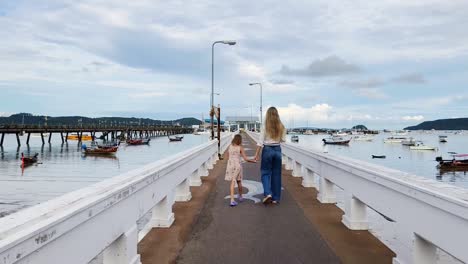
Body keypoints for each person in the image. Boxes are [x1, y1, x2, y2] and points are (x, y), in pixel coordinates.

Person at [254, 107, 286, 204]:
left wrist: (256, 155)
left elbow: (260, 142)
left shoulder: (265, 126)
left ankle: (268, 193)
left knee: (265, 172)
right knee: (276, 174)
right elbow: (283, 140)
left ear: (267, 115)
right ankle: (275, 198)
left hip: (267, 149)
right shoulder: (281, 126)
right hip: (277, 149)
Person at [225, 134, 256, 206]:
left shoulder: (230, 146)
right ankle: (240, 197)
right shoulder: (240, 147)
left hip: (230, 165)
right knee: (238, 181)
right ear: (240, 140)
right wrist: (253, 161)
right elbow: (246, 159)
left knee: (232, 181)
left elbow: (228, 156)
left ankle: (233, 199)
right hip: (238, 165)